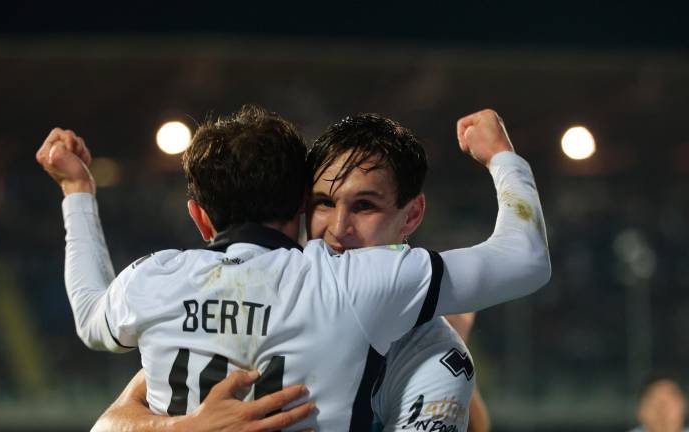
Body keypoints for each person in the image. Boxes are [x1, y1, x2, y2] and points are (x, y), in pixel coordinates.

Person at [37, 106, 550, 430]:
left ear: (198, 217)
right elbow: (524, 258)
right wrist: (501, 157)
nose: (340, 227)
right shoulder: (354, 286)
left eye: (364, 206)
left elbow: (89, 317)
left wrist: (77, 194)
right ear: (303, 204)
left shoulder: (153, 282)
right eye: (327, 204)